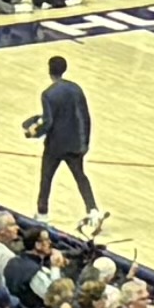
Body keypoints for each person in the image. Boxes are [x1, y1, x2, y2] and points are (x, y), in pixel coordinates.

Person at [28, 56, 102, 222]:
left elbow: (48, 122)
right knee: (80, 177)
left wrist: (34, 133)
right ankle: (93, 210)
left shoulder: (48, 94)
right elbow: (85, 116)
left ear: (49, 70)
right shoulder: (76, 88)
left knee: (46, 178)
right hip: (75, 143)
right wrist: (85, 143)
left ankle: (42, 213)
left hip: (55, 145)